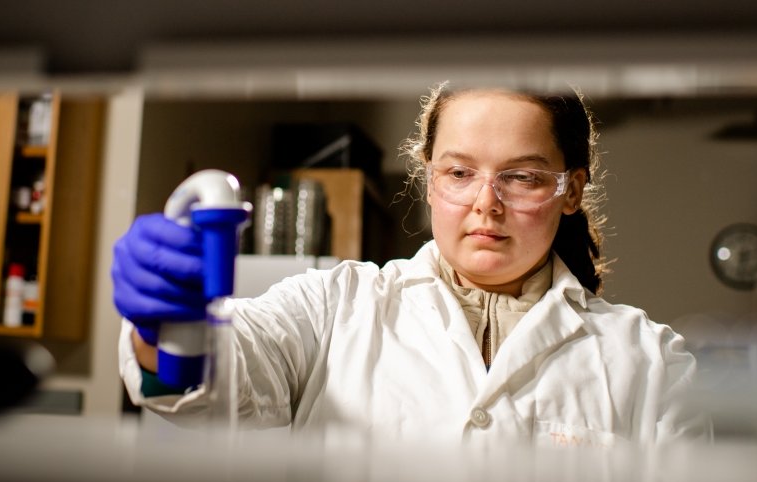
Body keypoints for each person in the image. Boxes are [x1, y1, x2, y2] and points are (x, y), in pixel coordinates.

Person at [112, 83, 711, 446]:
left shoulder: (652, 362)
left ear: (571, 190)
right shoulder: (333, 309)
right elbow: (208, 385)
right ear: (429, 181)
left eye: (522, 176)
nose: (485, 204)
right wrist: (163, 326)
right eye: (459, 173)